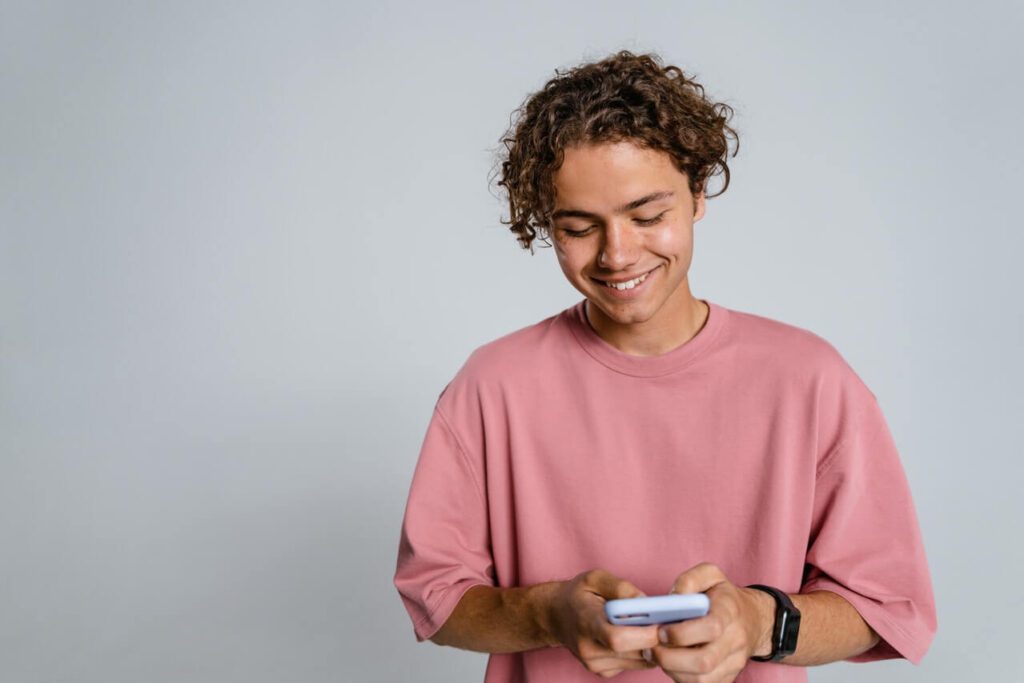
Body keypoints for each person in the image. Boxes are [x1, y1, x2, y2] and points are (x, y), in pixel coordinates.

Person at [393, 50, 937, 682]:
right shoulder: (491, 387)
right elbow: (434, 596)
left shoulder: (809, 380)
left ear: (698, 193)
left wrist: (759, 622)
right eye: (578, 227)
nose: (618, 254)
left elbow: (888, 606)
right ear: (546, 223)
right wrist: (548, 615)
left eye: (648, 216)